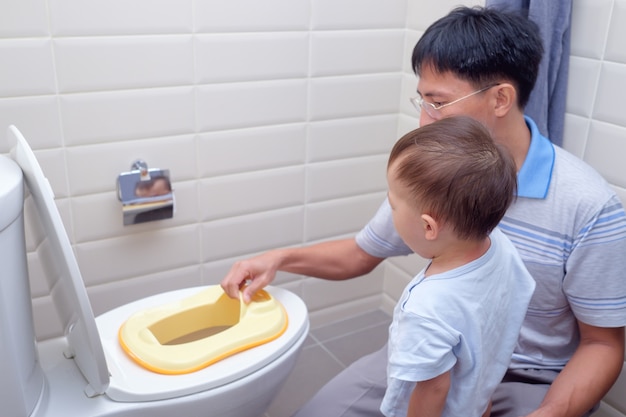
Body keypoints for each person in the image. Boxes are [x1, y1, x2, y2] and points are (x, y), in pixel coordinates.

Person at [221, 6, 626, 417]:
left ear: (500, 98)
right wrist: (279, 259)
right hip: (436, 355)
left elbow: (604, 343)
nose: (423, 120)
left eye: (437, 102)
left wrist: (550, 413)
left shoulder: (590, 207)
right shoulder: (435, 169)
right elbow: (363, 253)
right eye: (422, 100)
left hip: (530, 378)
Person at [381, 115, 535, 417]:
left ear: (428, 227)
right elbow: (491, 326)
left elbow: (434, 389)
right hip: (478, 398)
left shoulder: (426, 309)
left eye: (393, 205)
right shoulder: (498, 247)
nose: (391, 211)